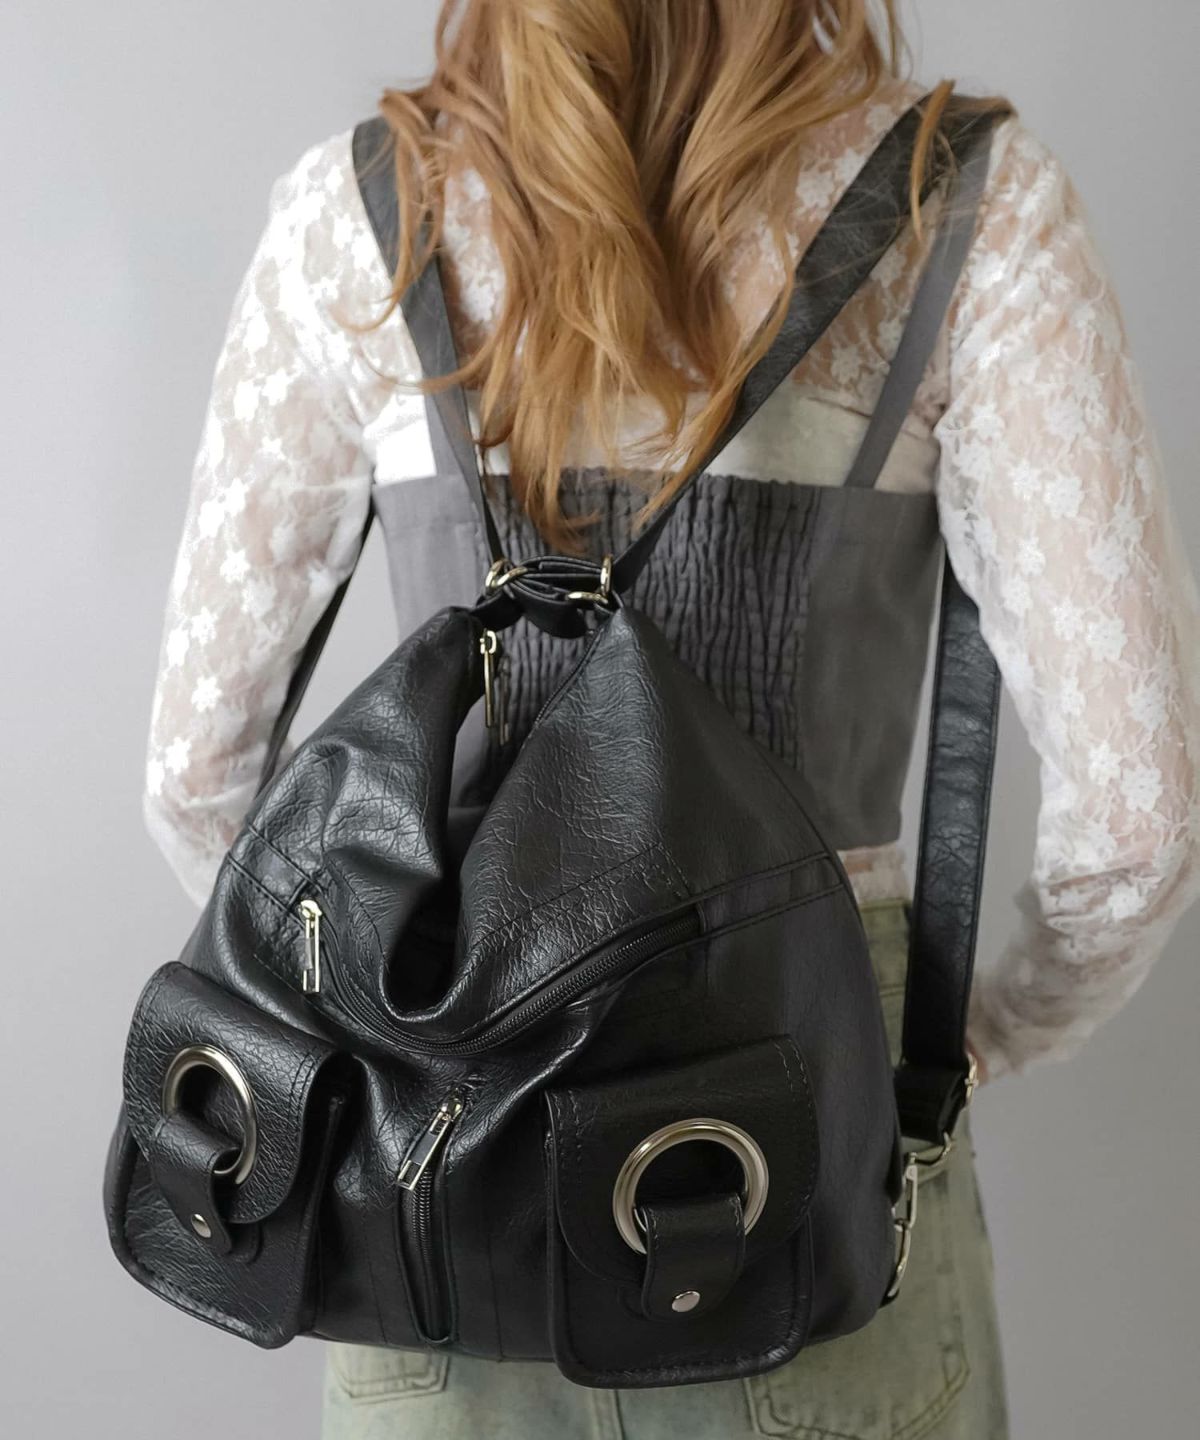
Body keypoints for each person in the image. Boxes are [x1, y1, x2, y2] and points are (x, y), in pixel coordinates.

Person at [140, 2, 1200, 1437]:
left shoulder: (364, 214)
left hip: (434, 1166)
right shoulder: (965, 206)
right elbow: (1139, 825)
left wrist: (387, 1005)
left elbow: (197, 781)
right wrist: (954, 1039)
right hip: (800, 1136)